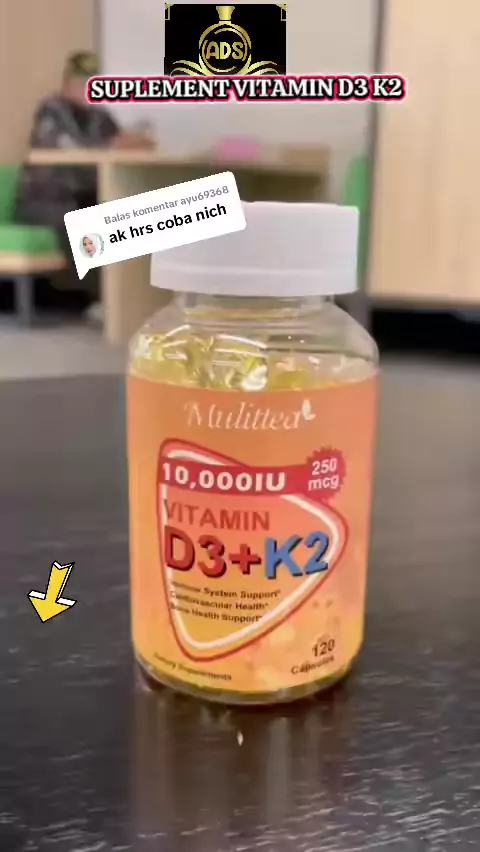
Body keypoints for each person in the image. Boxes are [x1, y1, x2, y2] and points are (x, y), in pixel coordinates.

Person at [14, 51, 152, 315]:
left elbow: (120, 143)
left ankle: (136, 297)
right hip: (46, 199)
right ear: (67, 83)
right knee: (82, 221)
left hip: (88, 194)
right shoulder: (51, 111)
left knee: (129, 212)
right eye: (81, 82)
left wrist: (134, 140)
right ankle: (102, 300)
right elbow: (67, 151)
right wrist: (111, 146)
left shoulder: (101, 115)